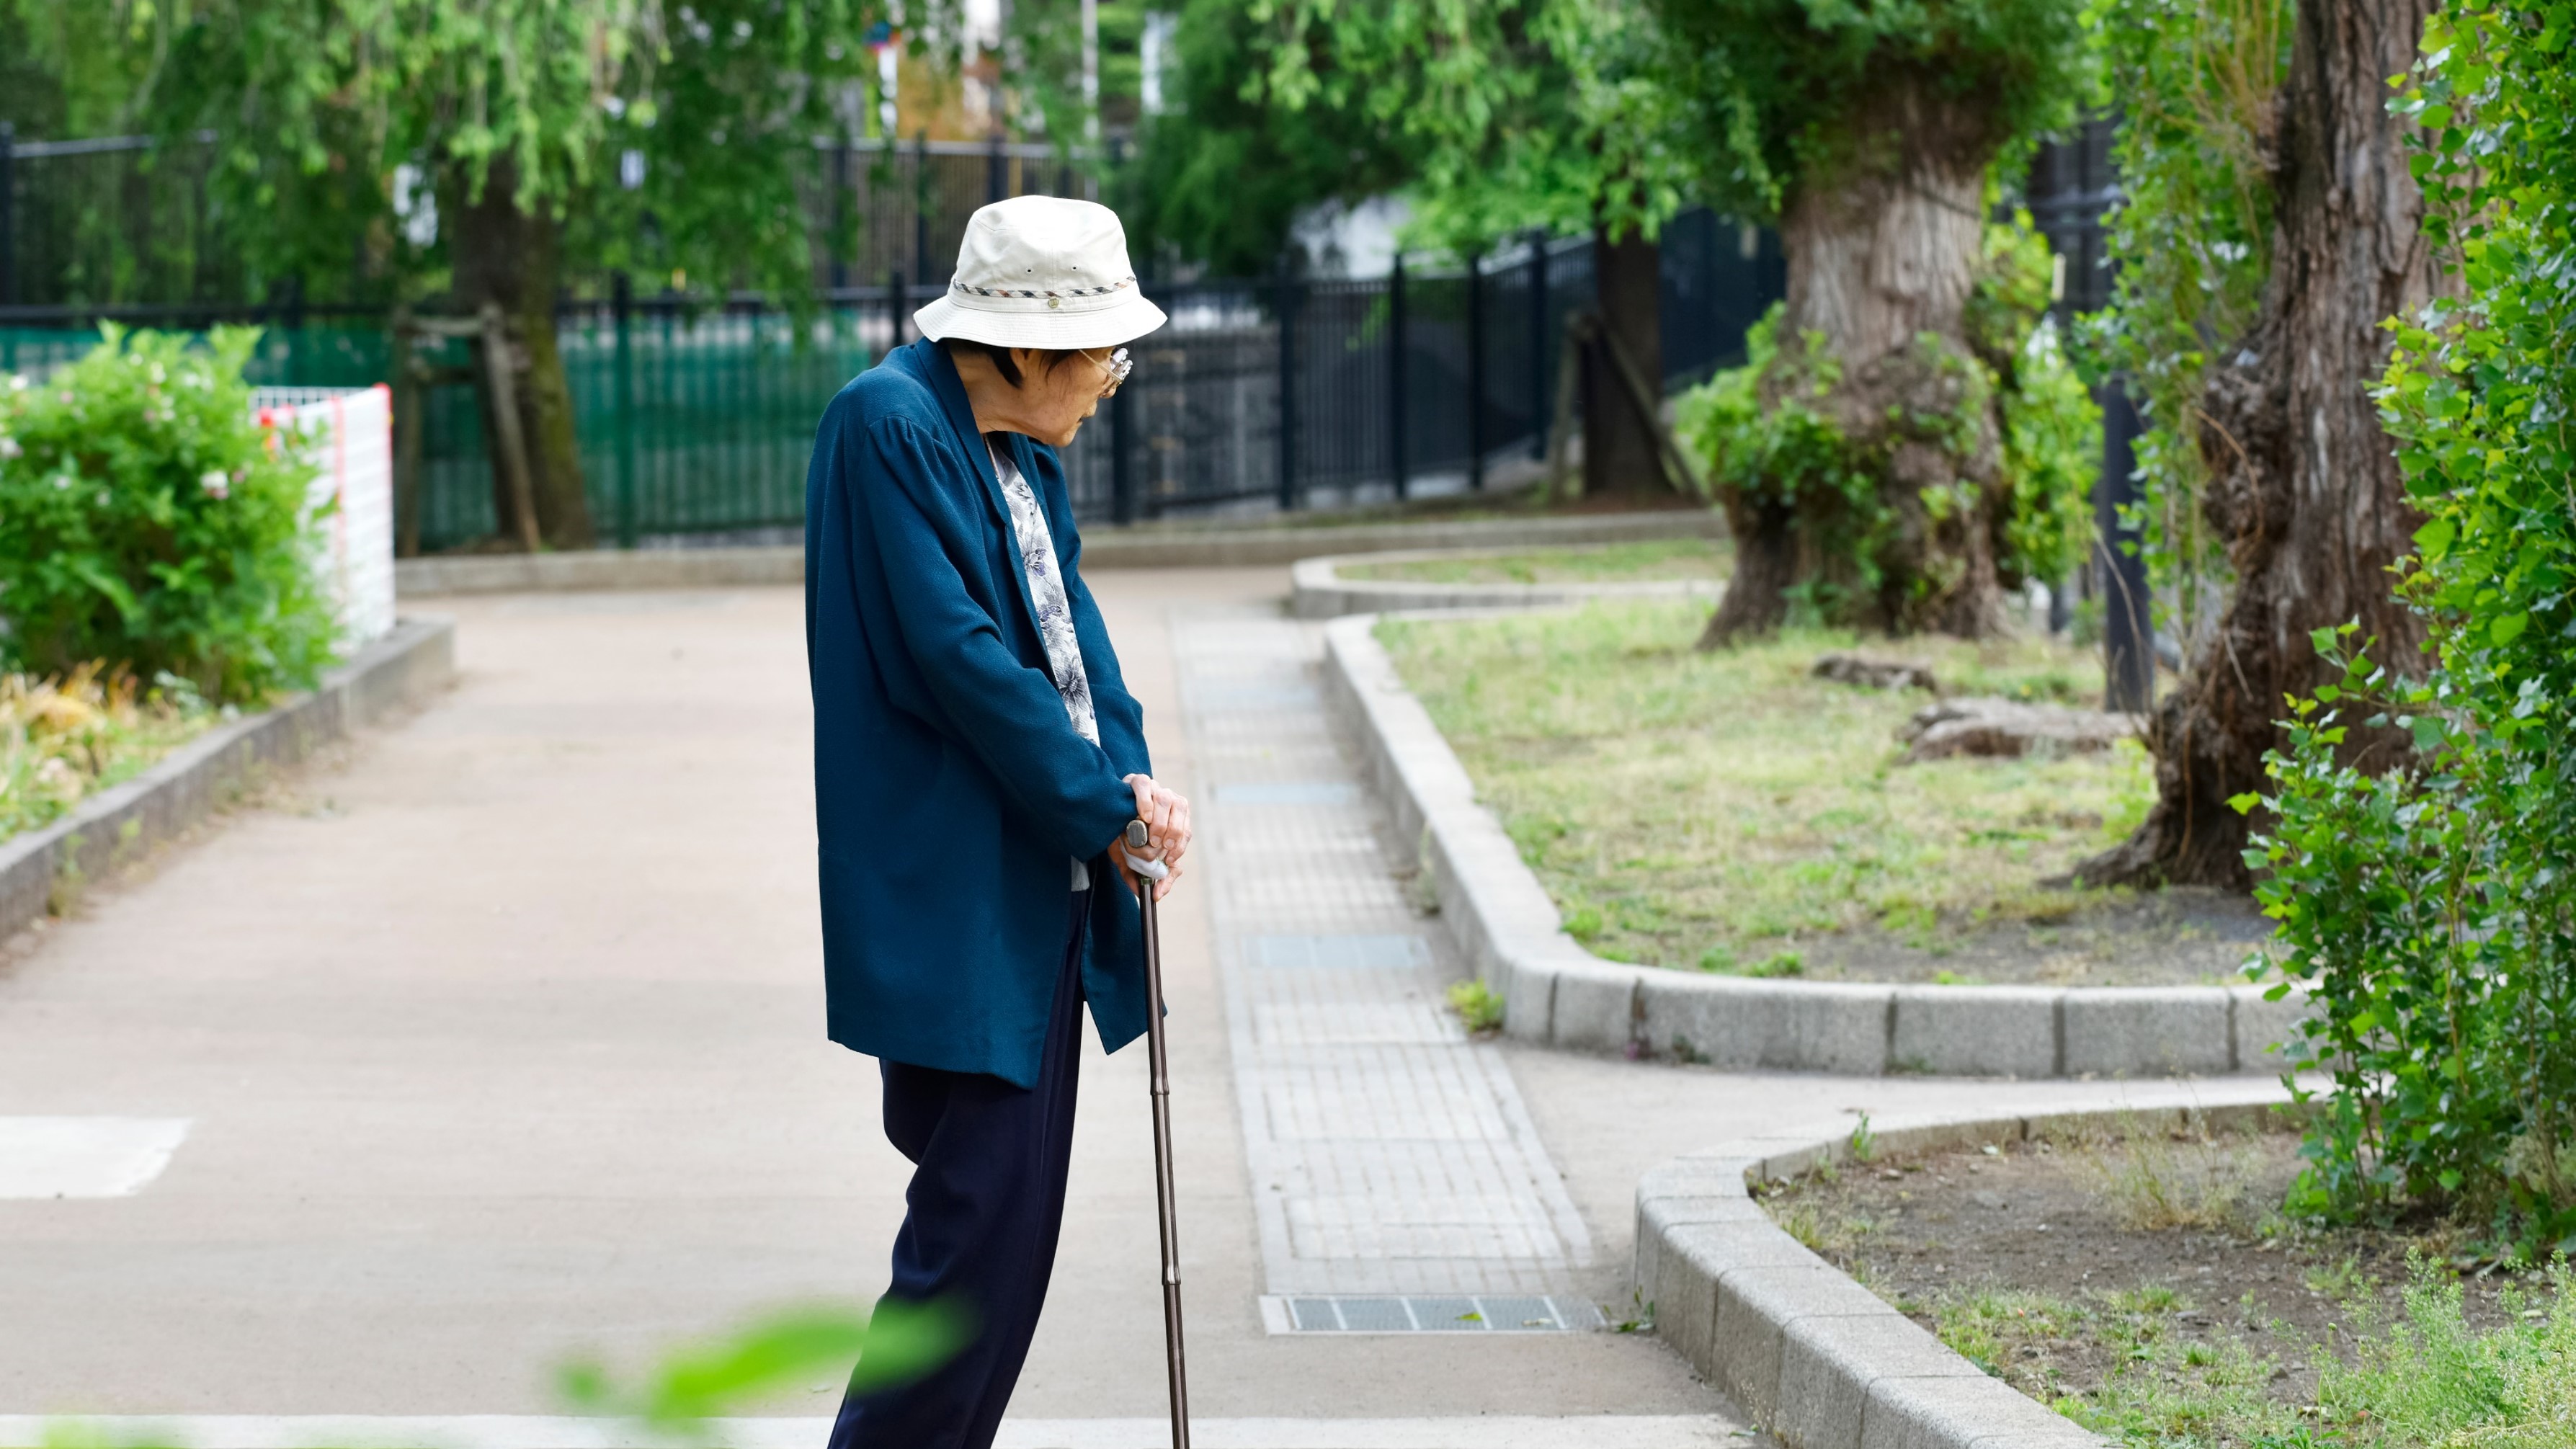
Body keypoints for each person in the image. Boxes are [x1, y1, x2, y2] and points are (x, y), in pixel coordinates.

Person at [802, 195, 1192, 1449]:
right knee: (972, 1247)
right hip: (957, 896)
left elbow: (1077, 642)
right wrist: (1095, 808)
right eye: (1103, 353)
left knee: (1006, 1245)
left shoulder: (1019, 450)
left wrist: (1129, 787)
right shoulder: (888, 424)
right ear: (1025, 346)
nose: (1111, 381)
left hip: (1037, 886)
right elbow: (958, 658)